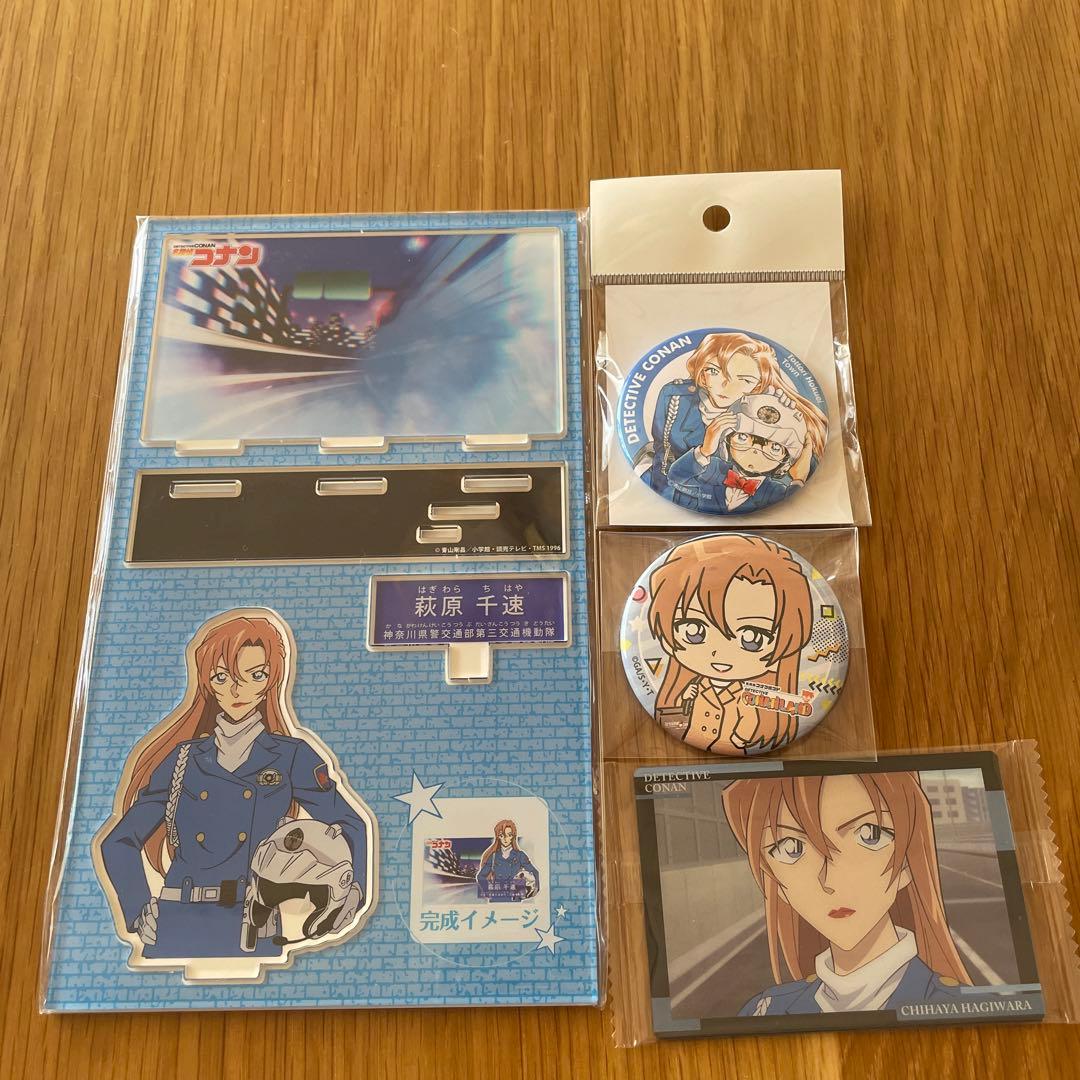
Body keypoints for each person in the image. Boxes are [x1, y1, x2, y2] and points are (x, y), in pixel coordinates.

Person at [95, 609, 373, 964]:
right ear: (208, 683)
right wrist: (137, 910)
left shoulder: (291, 756)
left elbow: (350, 823)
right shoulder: (183, 759)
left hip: (252, 921)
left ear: (271, 680)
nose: (237, 690)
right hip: (177, 919)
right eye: (223, 677)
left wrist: (352, 891)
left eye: (255, 675)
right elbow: (119, 839)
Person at [722, 771, 972, 1014]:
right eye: (791, 848)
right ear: (775, 883)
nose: (830, 880)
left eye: (869, 835)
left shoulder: (963, 1008)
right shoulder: (764, 1011)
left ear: (907, 861)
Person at [647, 534, 813, 754]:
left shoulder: (749, 699)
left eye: (752, 639)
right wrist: (685, 698)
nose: (719, 653)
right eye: (694, 630)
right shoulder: (695, 688)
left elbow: (747, 729)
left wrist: (741, 735)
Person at [646, 332, 826, 510]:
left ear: (758, 385)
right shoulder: (676, 396)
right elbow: (662, 456)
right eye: (714, 371)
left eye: (745, 380)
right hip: (675, 495)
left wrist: (789, 420)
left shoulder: (767, 408)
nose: (726, 386)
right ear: (701, 371)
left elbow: (793, 467)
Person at [475, 819, 540, 899]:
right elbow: (480, 876)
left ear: (513, 836)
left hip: (515, 898)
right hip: (498, 898)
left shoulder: (520, 855)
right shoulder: (494, 856)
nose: (505, 839)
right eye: (502, 836)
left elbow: (535, 872)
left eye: (509, 835)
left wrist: (532, 892)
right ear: (498, 837)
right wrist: (488, 891)